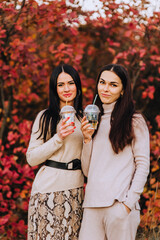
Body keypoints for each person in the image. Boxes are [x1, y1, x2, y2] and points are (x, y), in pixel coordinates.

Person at [79, 64, 150, 240]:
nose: (105, 89)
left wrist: (127, 205)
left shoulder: (134, 121)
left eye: (113, 84)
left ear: (122, 90)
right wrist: (87, 139)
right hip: (92, 206)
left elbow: (143, 165)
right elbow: (87, 171)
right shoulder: (92, 121)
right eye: (102, 82)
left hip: (118, 206)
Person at [26, 64, 84, 240]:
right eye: (60, 84)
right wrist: (58, 138)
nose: (66, 88)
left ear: (78, 86)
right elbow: (31, 158)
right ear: (54, 89)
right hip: (48, 190)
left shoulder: (85, 118)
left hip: (77, 191)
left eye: (71, 83)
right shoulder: (45, 117)